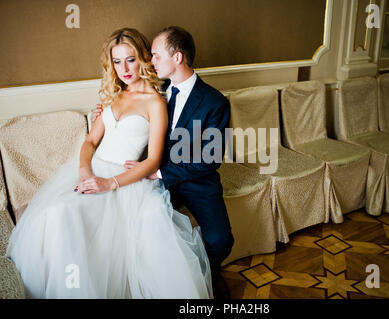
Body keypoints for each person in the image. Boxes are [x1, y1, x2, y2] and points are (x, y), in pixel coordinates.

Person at [6, 27, 213, 299]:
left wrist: (109, 183)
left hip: (126, 180)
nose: (124, 68)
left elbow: (151, 161)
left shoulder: (155, 103)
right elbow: (90, 142)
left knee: (70, 217)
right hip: (92, 170)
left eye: (130, 59)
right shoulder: (111, 96)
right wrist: (84, 171)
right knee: (54, 213)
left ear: (144, 58)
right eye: (116, 61)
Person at [93, 26, 234, 299]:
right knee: (144, 227)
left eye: (155, 55)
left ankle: (208, 272)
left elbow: (210, 158)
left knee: (221, 239)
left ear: (177, 57)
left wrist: (159, 172)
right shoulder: (155, 88)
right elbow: (124, 111)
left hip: (195, 181)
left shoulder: (214, 102)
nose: (150, 61)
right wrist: (105, 113)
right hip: (150, 178)